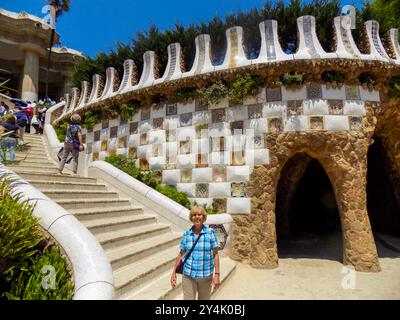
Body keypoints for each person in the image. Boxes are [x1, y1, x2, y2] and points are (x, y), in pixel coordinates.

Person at [170, 206, 220, 300]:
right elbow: (181, 254)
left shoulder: (210, 233)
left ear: (203, 217)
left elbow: (215, 254)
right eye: (194, 215)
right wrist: (174, 273)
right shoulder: (187, 234)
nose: (197, 217)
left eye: (199, 214)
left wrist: (217, 275)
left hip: (205, 276)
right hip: (189, 276)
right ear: (191, 218)